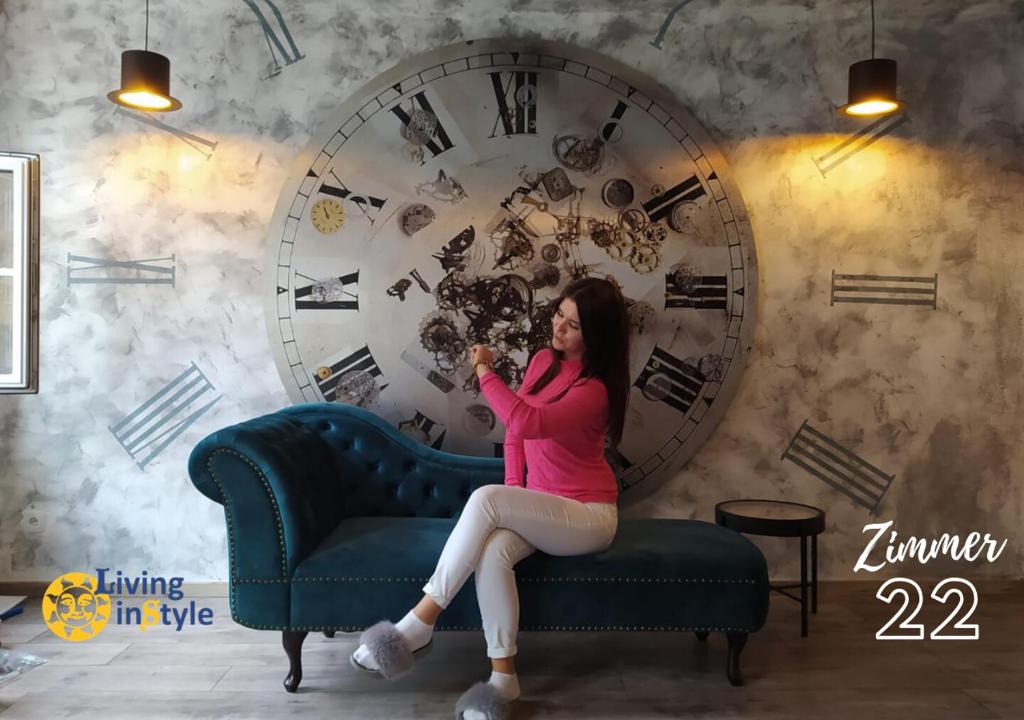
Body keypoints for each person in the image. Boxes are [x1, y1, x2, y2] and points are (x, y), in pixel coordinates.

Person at [350, 277, 631, 719]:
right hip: (545, 507)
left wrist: (484, 370)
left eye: (573, 325)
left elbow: (528, 419)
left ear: (596, 335)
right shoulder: (542, 361)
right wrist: (517, 499)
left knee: (485, 498)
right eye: (559, 314)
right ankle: (504, 681)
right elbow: (516, 434)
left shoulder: (594, 391)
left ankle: (419, 622)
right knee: (494, 550)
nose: (558, 327)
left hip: (588, 517)